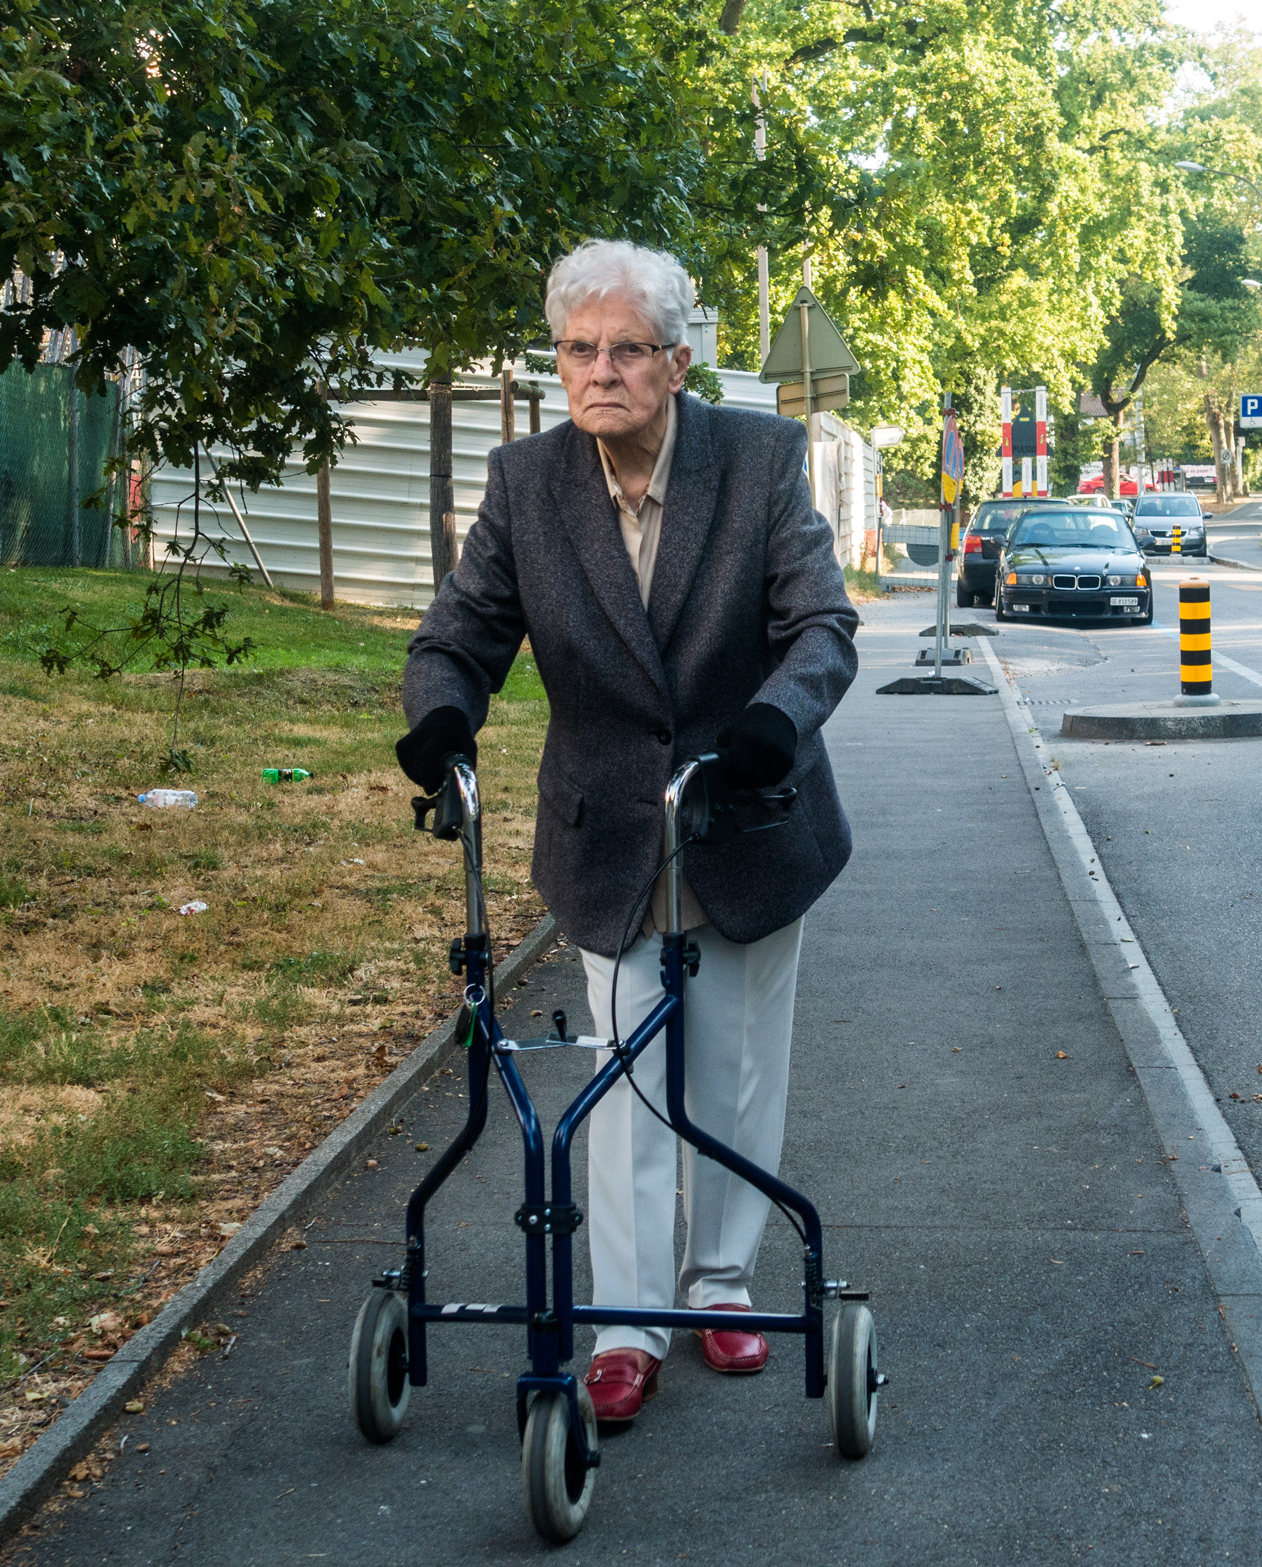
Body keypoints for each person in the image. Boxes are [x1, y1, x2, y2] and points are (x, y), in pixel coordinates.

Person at [395, 239, 858, 1428]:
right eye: (578, 350)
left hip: (745, 809)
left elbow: (820, 625)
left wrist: (771, 723)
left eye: (626, 351)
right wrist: (439, 717)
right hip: (607, 827)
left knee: (737, 1067)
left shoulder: (757, 459)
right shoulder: (528, 480)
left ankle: (722, 1282)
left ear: (676, 359)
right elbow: (461, 633)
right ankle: (626, 1321)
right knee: (623, 1075)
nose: (599, 372)